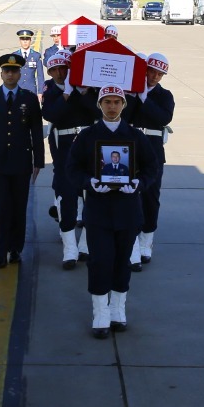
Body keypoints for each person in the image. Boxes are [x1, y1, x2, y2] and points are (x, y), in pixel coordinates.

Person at [65, 86, 149, 337]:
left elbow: (151, 168)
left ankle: (117, 309)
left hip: (127, 211)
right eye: (107, 102)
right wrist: (89, 183)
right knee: (100, 261)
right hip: (99, 211)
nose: (112, 107)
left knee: (122, 261)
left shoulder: (135, 136)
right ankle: (100, 312)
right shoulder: (88, 136)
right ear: (99, 105)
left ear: (124, 105)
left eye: (117, 102)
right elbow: (72, 168)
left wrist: (138, 183)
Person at [0, 52, 46, 268]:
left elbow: (35, 131)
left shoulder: (29, 98)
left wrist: (38, 161)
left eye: (14, 71)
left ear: (19, 72)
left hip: (21, 162)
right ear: (1, 73)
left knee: (18, 208)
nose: (10, 74)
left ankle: (16, 248)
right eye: (7, 71)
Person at [41, 52, 93, 269]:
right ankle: (69, 248)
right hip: (64, 149)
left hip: (87, 145)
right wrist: (67, 94)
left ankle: (85, 245)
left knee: (91, 195)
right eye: (55, 70)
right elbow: (51, 115)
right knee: (67, 196)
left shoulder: (85, 87)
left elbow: (95, 110)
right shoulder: (50, 89)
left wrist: (80, 92)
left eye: (64, 68)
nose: (60, 73)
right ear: (50, 72)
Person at [126, 53, 174, 270]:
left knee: (151, 195)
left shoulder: (165, 95)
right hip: (132, 148)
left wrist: (145, 99)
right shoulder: (131, 93)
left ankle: (147, 240)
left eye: (159, 74)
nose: (154, 77)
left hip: (153, 150)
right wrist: (136, 96)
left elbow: (163, 118)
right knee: (130, 194)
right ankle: (133, 241)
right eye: (151, 71)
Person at [14, 28, 44, 94]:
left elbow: (40, 75)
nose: (25, 42)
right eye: (22, 39)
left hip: (31, 90)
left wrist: (40, 92)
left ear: (30, 40)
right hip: (17, 90)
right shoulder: (14, 56)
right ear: (19, 40)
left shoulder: (36, 55)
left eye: (27, 39)